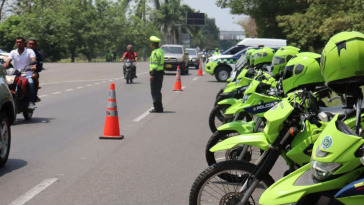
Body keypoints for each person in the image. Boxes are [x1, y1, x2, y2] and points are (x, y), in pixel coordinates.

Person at [4, 37, 37, 109]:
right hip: (15, 74)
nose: (18, 44)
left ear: (24, 43)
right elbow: (7, 63)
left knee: (31, 82)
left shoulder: (29, 51)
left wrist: (34, 66)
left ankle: (31, 102)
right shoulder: (13, 52)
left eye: (20, 42)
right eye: (17, 42)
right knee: (6, 84)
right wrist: (3, 66)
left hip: (27, 73)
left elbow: (33, 59)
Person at [149, 36, 164, 113]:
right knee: (158, 91)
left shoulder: (155, 52)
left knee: (155, 91)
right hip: (160, 73)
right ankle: (159, 107)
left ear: (152, 44)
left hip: (156, 74)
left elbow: (154, 65)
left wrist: (152, 75)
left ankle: (157, 108)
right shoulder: (160, 51)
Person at [27, 37, 43, 102]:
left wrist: (35, 69)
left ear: (36, 45)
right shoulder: (22, 51)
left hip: (32, 72)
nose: (31, 46)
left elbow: (40, 65)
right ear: (26, 44)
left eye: (33, 44)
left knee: (34, 76)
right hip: (21, 71)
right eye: (29, 44)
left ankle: (35, 95)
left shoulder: (38, 54)